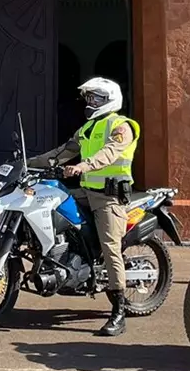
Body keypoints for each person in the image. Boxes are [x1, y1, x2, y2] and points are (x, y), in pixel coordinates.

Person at [28, 76, 139, 338]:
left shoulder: (122, 126)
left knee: (111, 247)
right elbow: (62, 152)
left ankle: (119, 311)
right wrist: (28, 162)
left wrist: (83, 166)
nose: (90, 103)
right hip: (87, 192)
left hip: (109, 198)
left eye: (96, 98)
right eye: (89, 98)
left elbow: (108, 154)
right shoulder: (88, 128)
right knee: (53, 205)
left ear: (110, 99)